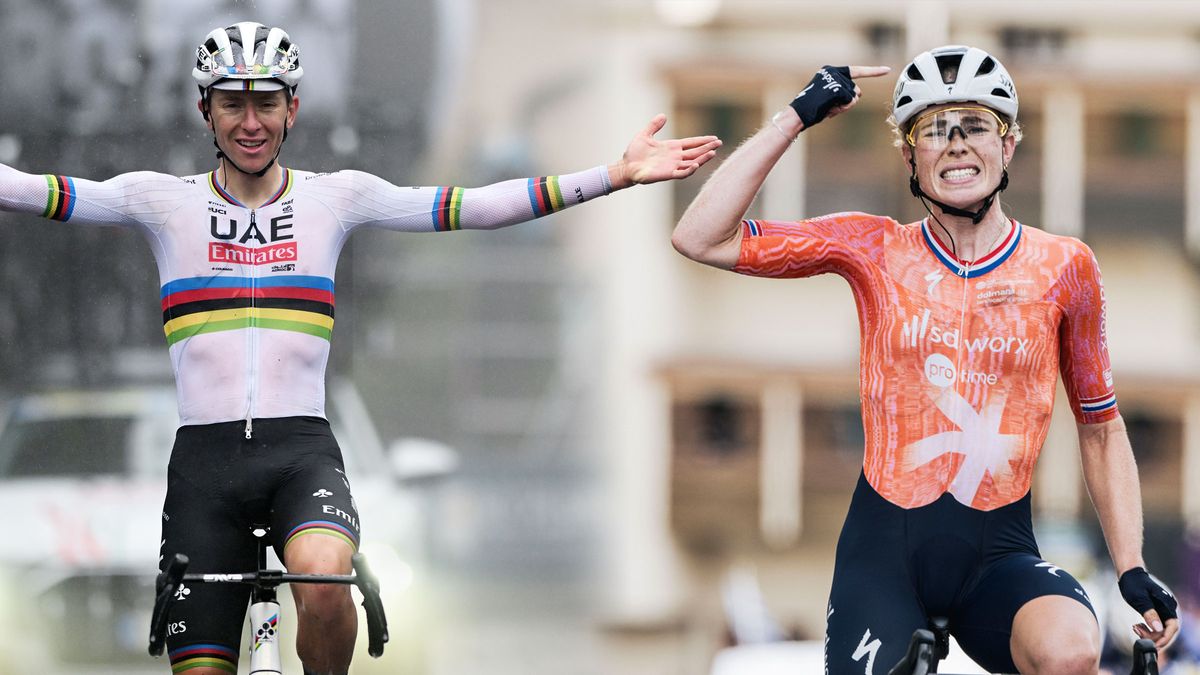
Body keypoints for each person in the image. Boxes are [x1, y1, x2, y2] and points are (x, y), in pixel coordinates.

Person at [0, 21, 720, 675]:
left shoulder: (335, 196)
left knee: (323, 577)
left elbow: (472, 208)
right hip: (204, 466)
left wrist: (613, 175)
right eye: (232, 104)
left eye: (267, 103)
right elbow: (33, 191)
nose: (251, 122)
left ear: (293, 110)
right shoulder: (160, 200)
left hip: (300, 450)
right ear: (205, 113)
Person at [671, 45, 1178, 675]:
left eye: (976, 125)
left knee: (1071, 650)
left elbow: (1101, 430)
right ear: (911, 157)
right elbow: (700, 236)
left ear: (1010, 143)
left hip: (1000, 556)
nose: (957, 144)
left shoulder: (1065, 268)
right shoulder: (872, 248)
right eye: (935, 130)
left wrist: (1130, 565)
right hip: (885, 555)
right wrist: (795, 117)